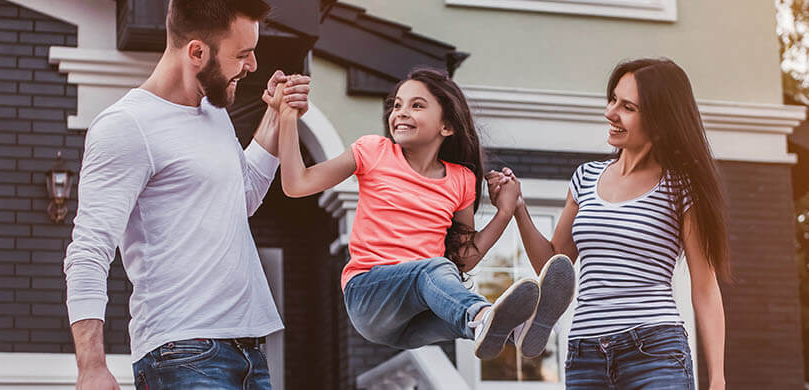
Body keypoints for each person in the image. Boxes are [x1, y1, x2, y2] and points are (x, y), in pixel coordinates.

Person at [63, 1, 311, 388]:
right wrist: (90, 365)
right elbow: (89, 250)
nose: (252, 66)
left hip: (248, 350)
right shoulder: (126, 126)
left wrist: (277, 115)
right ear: (196, 52)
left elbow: (242, 196)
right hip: (182, 354)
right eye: (242, 54)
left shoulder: (213, 113)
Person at [268, 67, 573, 360]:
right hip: (368, 296)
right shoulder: (373, 151)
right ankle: (482, 316)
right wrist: (288, 116)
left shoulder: (462, 180)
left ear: (447, 126)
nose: (400, 112)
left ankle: (519, 329)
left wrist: (505, 213)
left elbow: (462, 259)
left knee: (455, 305)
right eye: (397, 105)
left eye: (416, 105)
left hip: (414, 317)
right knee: (435, 274)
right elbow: (297, 184)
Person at [488, 58, 728, 389]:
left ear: (659, 120)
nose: (610, 113)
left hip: (654, 350)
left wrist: (717, 378)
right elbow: (554, 263)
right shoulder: (586, 178)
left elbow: (704, 287)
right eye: (612, 99)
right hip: (586, 355)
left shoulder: (681, 187)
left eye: (627, 106)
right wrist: (518, 207)